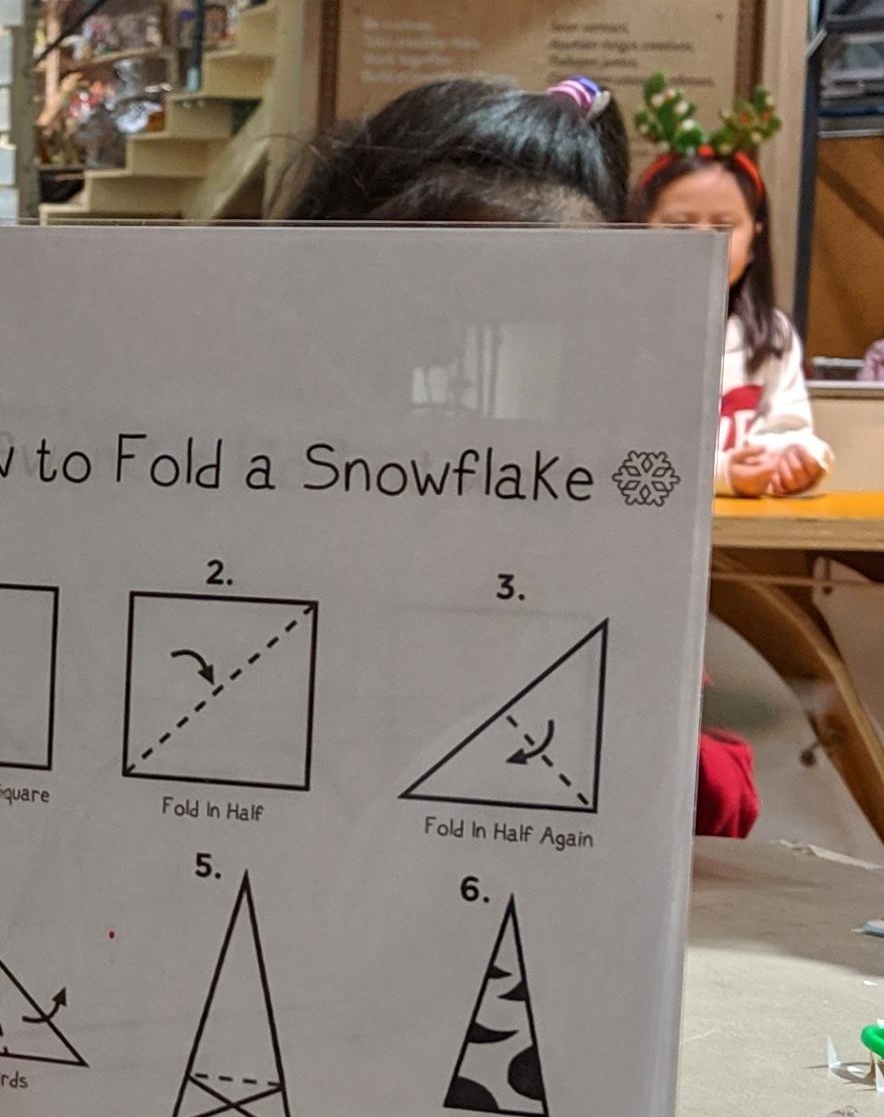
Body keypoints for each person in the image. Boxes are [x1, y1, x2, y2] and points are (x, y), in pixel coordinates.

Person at [285, 75, 761, 838]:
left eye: (536, 335)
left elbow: (719, 795)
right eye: (415, 340)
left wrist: (645, 738)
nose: (451, 425)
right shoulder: (257, 499)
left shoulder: (599, 530)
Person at [630, 146, 830, 498]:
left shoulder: (771, 334)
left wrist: (797, 458)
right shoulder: (618, 334)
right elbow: (616, 458)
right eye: (681, 224)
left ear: (754, 238)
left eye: (724, 226)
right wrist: (721, 474)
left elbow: (787, 428)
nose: (704, 239)